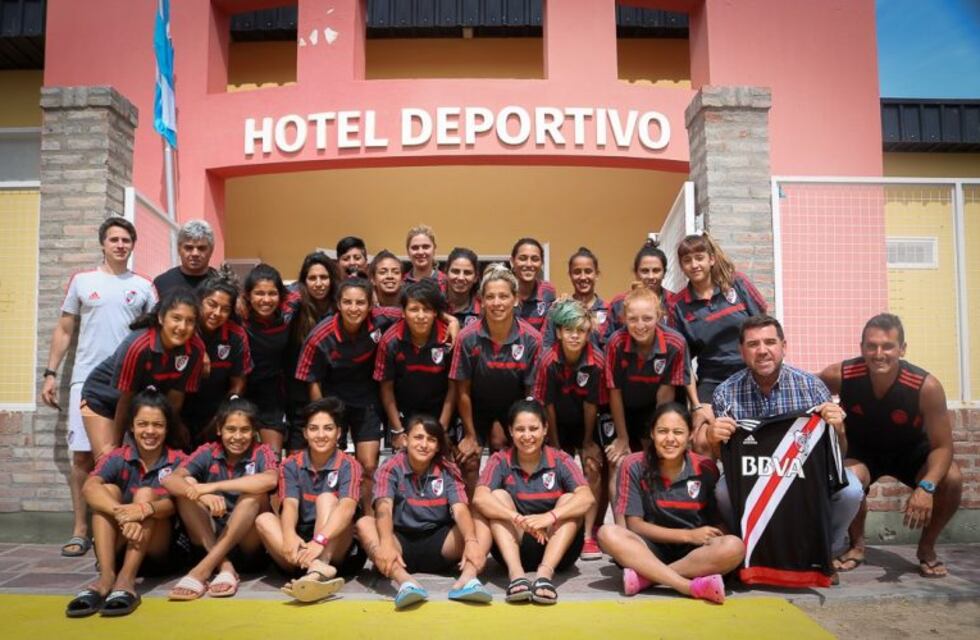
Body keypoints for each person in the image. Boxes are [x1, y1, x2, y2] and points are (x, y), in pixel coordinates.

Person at [40, 216, 156, 558]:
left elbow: (155, 334)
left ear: (133, 245)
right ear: (103, 243)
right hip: (85, 381)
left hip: (130, 384)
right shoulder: (82, 281)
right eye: (114, 240)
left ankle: (121, 525)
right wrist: (50, 373)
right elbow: (64, 330)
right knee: (82, 457)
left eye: (126, 240)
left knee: (126, 456)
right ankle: (81, 529)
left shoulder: (145, 286)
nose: (120, 245)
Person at [702, 315, 863, 561]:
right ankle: (750, 550)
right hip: (753, 479)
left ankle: (823, 553)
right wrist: (714, 439)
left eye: (770, 342)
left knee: (850, 490)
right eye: (753, 344)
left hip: (804, 476)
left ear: (783, 347)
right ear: (742, 351)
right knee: (723, 490)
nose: (763, 351)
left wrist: (838, 429)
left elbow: (837, 454)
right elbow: (724, 458)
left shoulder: (812, 387)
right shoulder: (726, 393)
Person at [819, 313, 962, 578]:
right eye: (871, 346)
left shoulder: (925, 386)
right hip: (863, 452)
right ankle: (857, 546)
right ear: (862, 347)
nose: (878, 353)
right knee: (848, 480)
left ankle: (927, 548)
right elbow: (802, 390)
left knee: (951, 477)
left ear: (902, 349)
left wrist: (926, 487)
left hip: (910, 452)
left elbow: (943, 446)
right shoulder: (840, 374)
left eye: (887, 346)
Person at [598, 403, 740, 604]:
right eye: (663, 431)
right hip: (649, 550)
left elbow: (714, 520)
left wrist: (725, 547)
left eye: (678, 432)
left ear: (690, 435)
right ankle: (687, 586)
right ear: (652, 434)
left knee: (734, 546)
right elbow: (635, 525)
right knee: (607, 533)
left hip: (694, 555)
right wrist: (688, 535)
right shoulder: (633, 464)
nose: (670, 439)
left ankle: (648, 579)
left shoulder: (706, 468)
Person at [65, 389, 185, 618]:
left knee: (146, 494)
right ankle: (106, 577)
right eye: (143, 424)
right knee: (105, 491)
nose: (150, 431)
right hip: (119, 547)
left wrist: (141, 510)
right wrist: (122, 513)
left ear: (167, 427)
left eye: (157, 425)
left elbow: (176, 504)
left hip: (160, 552)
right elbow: (89, 488)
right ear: (132, 426)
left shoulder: (178, 460)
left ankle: (126, 580)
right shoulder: (118, 457)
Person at [358, 415, 493, 609]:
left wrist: (471, 541)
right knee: (365, 524)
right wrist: (386, 543)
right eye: (418, 438)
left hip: (440, 542)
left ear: (438, 446)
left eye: (431, 440)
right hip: (400, 544)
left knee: (480, 522)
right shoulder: (391, 467)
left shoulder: (447, 469)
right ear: (405, 440)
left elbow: (460, 508)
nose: (424, 444)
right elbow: (384, 507)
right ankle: (405, 583)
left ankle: (468, 581)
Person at [472, 400, 594, 605]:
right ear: (510, 431)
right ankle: (516, 575)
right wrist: (518, 518)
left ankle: (544, 576)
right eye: (520, 429)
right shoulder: (500, 459)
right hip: (516, 544)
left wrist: (549, 517)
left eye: (533, 428)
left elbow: (587, 498)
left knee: (570, 499)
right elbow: (479, 498)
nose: (527, 436)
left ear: (545, 429)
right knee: (497, 497)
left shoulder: (560, 459)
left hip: (557, 546)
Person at [296, 278, 402, 512]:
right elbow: (311, 379)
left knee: (369, 465)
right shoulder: (320, 336)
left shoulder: (381, 319)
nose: (354, 308)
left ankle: (367, 516)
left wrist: (450, 320)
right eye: (348, 302)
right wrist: (323, 417)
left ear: (369, 305)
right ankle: (333, 516)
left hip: (367, 401)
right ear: (339, 304)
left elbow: (417, 309)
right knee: (333, 464)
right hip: (333, 403)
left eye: (360, 303)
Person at [163, 397, 277, 600]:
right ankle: (224, 565)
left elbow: (270, 479)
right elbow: (170, 480)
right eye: (231, 429)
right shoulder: (208, 451)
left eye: (245, 430)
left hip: (248, 548)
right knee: (186, 490)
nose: (238, 436)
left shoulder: (262, 451)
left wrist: (213, 486)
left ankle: (201, 571)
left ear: (254, 432)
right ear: (219, 429)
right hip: (210, 539)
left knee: (254, 494)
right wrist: (203, 495)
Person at [255, 398, 366, 602]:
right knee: (263, 520)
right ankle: (314, 571)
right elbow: (290, 504)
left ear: (339, 433)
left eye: (328, 428)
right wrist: (288, 535)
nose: (321, 435)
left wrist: (319, 541)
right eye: (314, 429)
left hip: (334, 547)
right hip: (300, 548)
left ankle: (319, 570)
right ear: (305, 433)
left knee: (326, 498)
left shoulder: (349, 464)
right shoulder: (290, 464)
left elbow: (347, 508)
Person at [80, 289, 205, 459]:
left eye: (190, 321)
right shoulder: (138, 345)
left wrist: (173, 428)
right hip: (103, 398)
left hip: (139, 406)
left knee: (147, 460)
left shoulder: (195, 349)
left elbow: (176, 397)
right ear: (161, 318)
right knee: (109, 462)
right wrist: (116, 444)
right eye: (176, 318)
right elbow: (125, 398)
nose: (182, 327)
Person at [450, 264, 542, 493]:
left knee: (504, 451)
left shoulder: (532, 339)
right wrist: (471, 435)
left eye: (503, 296)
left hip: (515, 408)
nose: (497, 302)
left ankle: (507, 510)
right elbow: (462, 391)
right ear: (481, 301)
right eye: (490, 297)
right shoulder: (467, 337)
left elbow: (531, 393)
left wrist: (520, 427)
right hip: (474, 409)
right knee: (468, 458)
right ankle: (474, 518)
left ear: (515, 299)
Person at [533, 297, 608, 560]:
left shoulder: (597, 361)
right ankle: (558, 526)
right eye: (568, 330)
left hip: (585, 423)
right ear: (559, 332)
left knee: (592, 466)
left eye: (580, 331)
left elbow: (591, 406)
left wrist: (588, 442)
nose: (574, 336)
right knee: (557, 468)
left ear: (588, 332)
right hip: (557, 423)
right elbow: (548, 406)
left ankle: (588, 536)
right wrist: (553, 444)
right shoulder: (548, 360)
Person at [668, 232, 768, 404]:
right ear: (682, 267)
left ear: (711, 259)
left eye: (699, 258)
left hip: (753, 371)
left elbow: (765, 327)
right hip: (712, 380)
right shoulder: (677, 306)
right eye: (687, 261)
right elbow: (682, 361)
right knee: (703, 428)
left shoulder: (737, 283)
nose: (694, 265)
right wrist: (697, 405)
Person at [605, 284, 691, 460]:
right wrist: (623, 438)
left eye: (647, 318)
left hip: (653, 408)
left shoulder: (675, 343)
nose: (640, 325)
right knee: (619, 461)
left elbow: (664, 397)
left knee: (655, 458)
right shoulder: (616, 343)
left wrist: (656, 438)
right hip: (623, 408)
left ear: (658, 316)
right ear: (623, 319)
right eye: (633, 319)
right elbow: (615, 391)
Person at [374, 281, 455, 448]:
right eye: (414, 309)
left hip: (441, 410)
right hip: (405, 410)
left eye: (426, 310)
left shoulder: (449, 338)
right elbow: (386, 388)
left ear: (435, 313)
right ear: (403, 312)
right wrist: (397, 430)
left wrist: (442, 428)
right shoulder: (390, 341)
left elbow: (454, 387)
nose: (420, 315)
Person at [181, 268, 252, 446]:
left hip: (215, 411)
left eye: (225, 309)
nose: (216, 313)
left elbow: (238, 384)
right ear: (199, 302)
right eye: (211, 304)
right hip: (178, 407)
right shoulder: (182, 328)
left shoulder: (236, 335)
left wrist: (218, 422)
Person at [285, 252, 341, 452]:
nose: (319, 283)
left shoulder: (341, 308)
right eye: (312, 278)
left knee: (331, 455)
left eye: (324, 277)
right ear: (304, 281)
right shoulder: (295, 308)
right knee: (296, 456)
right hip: (299, 394)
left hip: (333, 391)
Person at [241, 263, 297, 454]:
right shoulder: (237, 315)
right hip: (240, 390)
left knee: (272, 457)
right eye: (259, 293)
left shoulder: (290, 309)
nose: (266, 299)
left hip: (272, 393)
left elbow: (307, 288)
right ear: (248, 295)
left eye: (272, 293)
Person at [542, 247, 611, 349]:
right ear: (570, 275)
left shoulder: (609, 311)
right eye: (577, 272)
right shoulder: (559, 308)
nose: (583, 277)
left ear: (596, 274)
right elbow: (547, 347)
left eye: (588, 271)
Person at [152, 220, 218, 296]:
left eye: (201, 248)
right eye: (189, 248)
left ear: (211, 250)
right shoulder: (162, 283)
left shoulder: (222, 284)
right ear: (179, 249)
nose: (195, 254)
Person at [510, 237, 556, 333]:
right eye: (523, 258)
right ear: (512, 261)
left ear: (542, 263)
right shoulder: (503, 291)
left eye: (535, 259)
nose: (529, 264)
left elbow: (547, 331)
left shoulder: (547, 291)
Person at [404, 224, 449, 292]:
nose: (420, 252)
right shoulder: (401, 283)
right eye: (415, 248)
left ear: (434, 249)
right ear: (408, 252)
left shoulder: (446, 283)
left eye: (425, 247)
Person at [444, 247, 481, 328]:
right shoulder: (432, 305)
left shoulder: (483, 311)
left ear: (475, 278)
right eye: (455, 271)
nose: (461, 278)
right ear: (446, 273)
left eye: (467, 273)